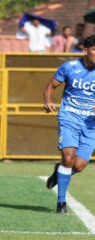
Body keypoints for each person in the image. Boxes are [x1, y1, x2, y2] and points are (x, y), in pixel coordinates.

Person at [43, 35, 95, 214]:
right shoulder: (69, 67)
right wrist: (48, 100)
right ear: (85, 50)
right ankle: (61, 203)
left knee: (78, 166)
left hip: (91, 125)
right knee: (68, 156)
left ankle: (60, 172)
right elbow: (50, 86)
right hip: (69, 117)